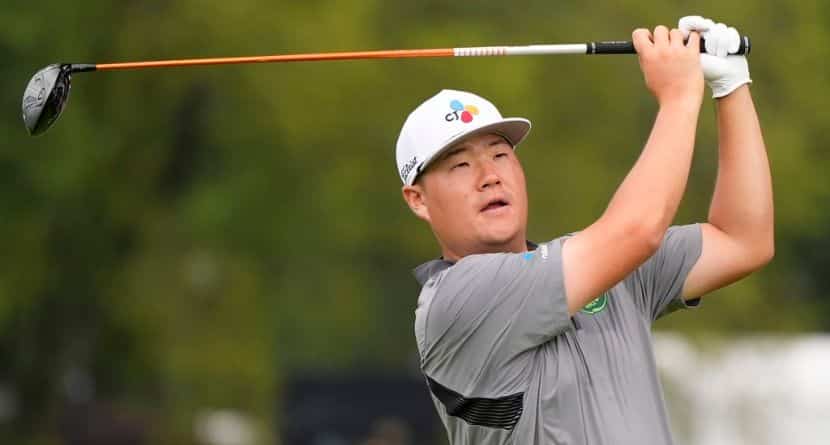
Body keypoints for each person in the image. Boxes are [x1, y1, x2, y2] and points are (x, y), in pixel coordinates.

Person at [394, 15, 773, 445]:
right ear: (418, 199)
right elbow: (638, 230)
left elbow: (743, 240)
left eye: (500, 155)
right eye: (461, 165)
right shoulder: (454, 301)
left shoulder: (608, 267)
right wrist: (679, 96)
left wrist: (731, 89)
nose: (489, 176)